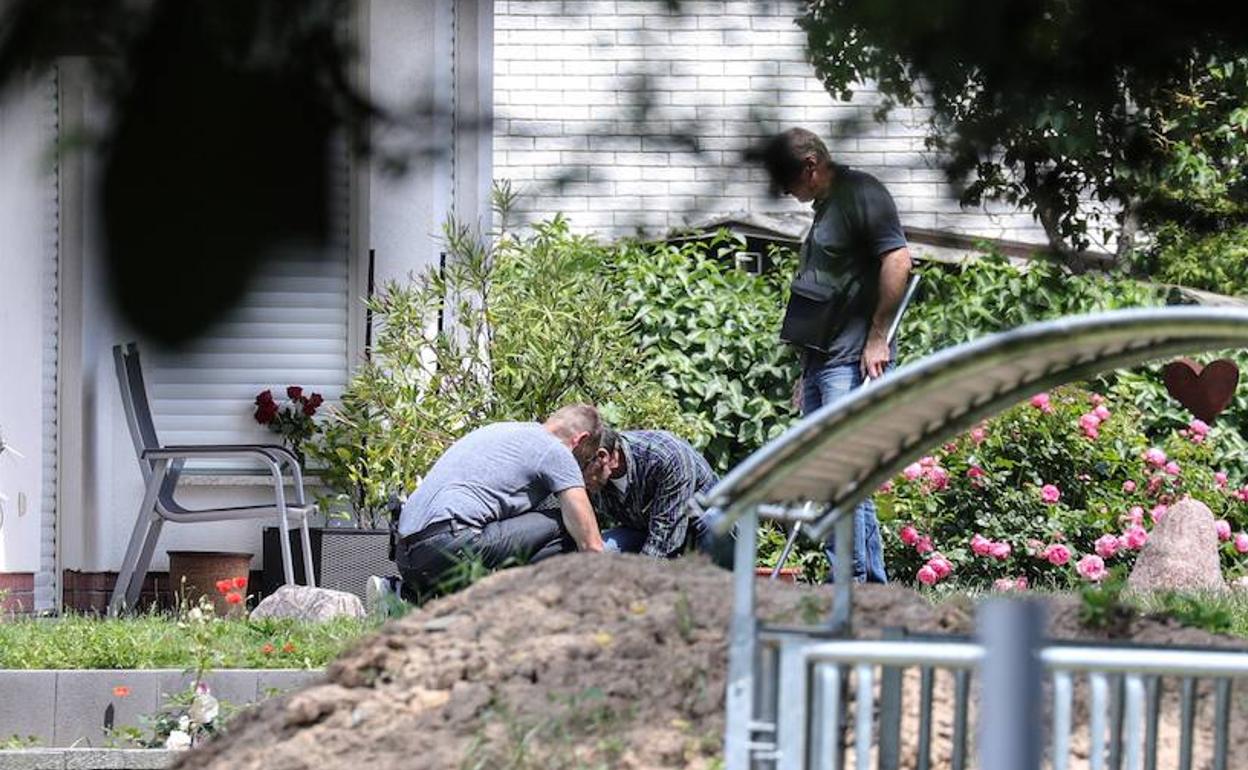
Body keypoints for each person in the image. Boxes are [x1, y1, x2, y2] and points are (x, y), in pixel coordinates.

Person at [759, 127, 913, 584]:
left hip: (852, 358)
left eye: (787, 179)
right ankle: (866, 582)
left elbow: (898, 259)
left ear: (811, 165)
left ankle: (847, 579)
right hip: (822, 360)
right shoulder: (826, 209)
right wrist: (805, 369)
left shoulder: (860, 193)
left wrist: (878, 336)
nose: (785, 191)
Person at [387, 404, 607, 602]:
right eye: (585, 460)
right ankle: (520, 607)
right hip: (451, 547)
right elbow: (592, 545)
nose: (581, 468)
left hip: (407, 558)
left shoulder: (500, 430)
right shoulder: (555, 450)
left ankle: (403, 595)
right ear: (580, 440)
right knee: (567, 524)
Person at [587, 427, 733, 568]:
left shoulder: (665, 456)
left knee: (715, 527)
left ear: (603, 457)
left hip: (697, 526)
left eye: (581, 468)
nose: (578, 478)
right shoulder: (589, 471)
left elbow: (665, 535)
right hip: (644, 530)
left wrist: (640, 582)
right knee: (596, 556)